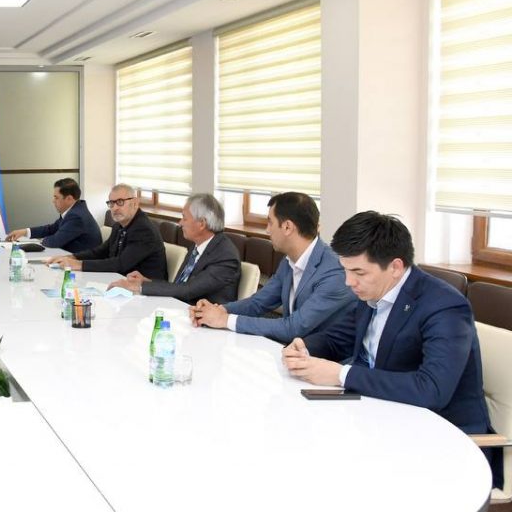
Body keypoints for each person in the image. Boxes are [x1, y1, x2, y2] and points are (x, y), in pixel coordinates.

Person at [282, 211, 501, 488]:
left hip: (444, 440)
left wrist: (341, 375)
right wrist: (304, 346)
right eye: (345, 270)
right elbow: (338, 339)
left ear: (395, 267)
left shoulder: (444, 306)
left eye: (358, 272)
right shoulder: (372, 292)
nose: (349, 282)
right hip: (383, 420)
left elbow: (432, 389)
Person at [191, 192, 353, 344]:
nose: (267, 230)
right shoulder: (289, 260)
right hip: (293, 352)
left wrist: (225, 320)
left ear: (287, 227)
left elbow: (294, 327)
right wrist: (218, 310)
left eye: (270, 222)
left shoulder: (334, 271)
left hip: (325, 358)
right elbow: (258, 303)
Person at [108, 193, 240, 304]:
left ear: (201, 224)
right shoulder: (198, 245)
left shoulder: (225, 256)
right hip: (179, 309)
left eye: (184, 218)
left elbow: (188, 290)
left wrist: (140, 287)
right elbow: (180, 286)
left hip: (203, 321)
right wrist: (147, 282)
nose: (180, 223)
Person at [44, 183, 166, 279]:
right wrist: (72, 257)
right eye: (111, 203)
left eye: (120, 202)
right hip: (120, 281)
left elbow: (121, 264)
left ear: (135, 203)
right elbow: (101, 252)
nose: (115, 208)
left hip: (148, 293)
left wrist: (79, 264)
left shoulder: (143, 229)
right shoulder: (119, 225)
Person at [7, 178, 102, 253]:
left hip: (83, 264)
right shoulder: (74, 211)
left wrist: (39, 241)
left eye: (56, 198)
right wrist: (25, 231)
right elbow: (51, 229)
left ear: (69, 199)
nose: (53, 201)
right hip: (69, 257)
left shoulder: (77, 216)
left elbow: (54, 242)